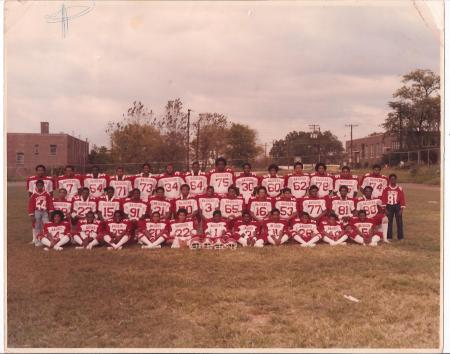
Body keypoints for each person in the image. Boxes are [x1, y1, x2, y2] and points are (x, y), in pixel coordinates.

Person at [28, 179, 54, 245]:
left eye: (41, 185)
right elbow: (30, 206)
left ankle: (47, 239)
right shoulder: (34, 195)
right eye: (38, 185)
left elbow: (50, 203)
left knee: (47, 225)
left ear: (43, 186)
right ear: (36, 186)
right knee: (37, 226)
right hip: (37, 212)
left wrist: (51, 212)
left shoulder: (46, 194)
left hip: (45, 212)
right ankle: (37, 240)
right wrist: (32, 215)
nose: (40, 186)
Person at [382, 174, 406, 241]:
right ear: (389, 180)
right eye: (391, 179)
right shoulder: (386, 188)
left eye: (394, 179)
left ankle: (400, 237)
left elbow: (402, 199)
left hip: (397, 205)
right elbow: (383, 198)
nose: (393, 180)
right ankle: (389, 236)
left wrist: (401, 209)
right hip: (389, 206)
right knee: (389, 221)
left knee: (399, 222)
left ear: (396, 180)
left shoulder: (399, 188)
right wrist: (385, 208)